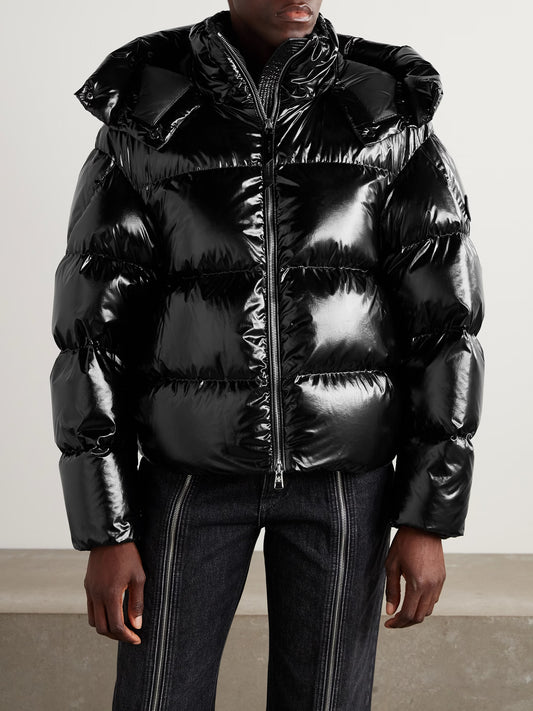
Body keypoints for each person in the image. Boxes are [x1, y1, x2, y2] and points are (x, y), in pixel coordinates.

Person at [49, 1, 485, 709]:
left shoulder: (385, 113)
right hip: (188, 476)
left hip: (345, 480)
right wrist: (107, 529)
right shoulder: (147, 117)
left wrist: (426, 515)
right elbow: (90, 340)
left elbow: (445, 329)